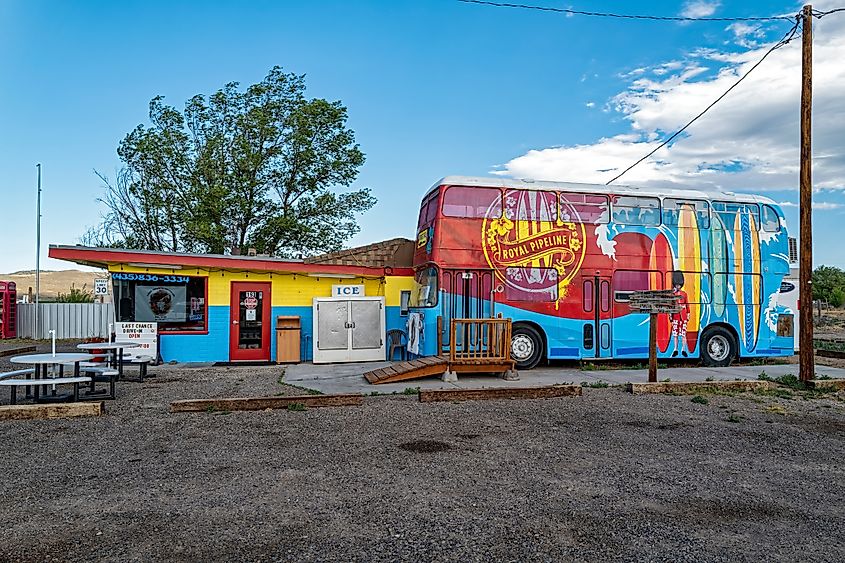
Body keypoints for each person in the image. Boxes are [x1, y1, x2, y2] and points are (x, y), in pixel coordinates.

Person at [670, 271, 690, 357]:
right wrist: (670, 315)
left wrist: (688, 313)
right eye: (676, 284)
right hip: (676, 316)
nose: (677, 286)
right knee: (675, 334)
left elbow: (687, 304)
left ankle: (683, 349)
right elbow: (671, 305)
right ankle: (675, 349)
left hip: (683, 316)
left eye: (679, 285)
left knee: (683, 334)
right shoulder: (673, 294)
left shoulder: (684, 294)